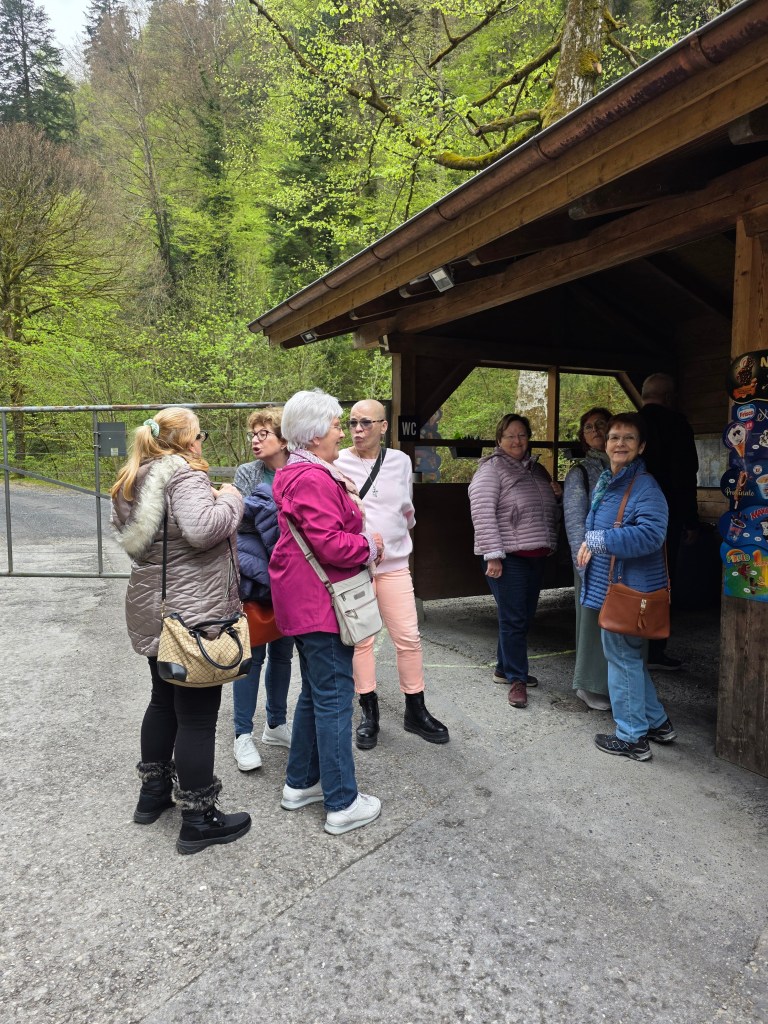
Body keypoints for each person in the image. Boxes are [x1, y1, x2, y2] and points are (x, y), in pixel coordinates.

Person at [111, 407, 251, 854]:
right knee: (197, 715)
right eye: (200, 435)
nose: (202, 442)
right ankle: (198, 819)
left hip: (154, 608)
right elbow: (202, 529)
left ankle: (152, 795)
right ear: (188, 440)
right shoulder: (184, 477)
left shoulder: (132, 478)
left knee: (162, 700)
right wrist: (231, 497)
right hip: (193, 613)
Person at [268, 389, 384, 835]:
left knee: (315, 695)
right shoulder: (313, 479)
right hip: (322, 603)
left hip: (304, 600)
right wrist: (370, 544)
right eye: (337, 425)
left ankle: (301, 783)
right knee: (335, 699)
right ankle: (342, 803)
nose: (343, 432)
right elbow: (332, 545)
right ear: (315, 435)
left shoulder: (298, 473)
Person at [336, 399, 449, 750]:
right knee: (362, 641)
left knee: (409, 638)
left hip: (395, 566)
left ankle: (416, 709)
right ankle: (368, 712)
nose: (357, 429)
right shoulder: (336, 463)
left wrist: (394, 536)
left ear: (384, 426)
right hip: (356, 568)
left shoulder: (399, 461)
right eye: (352, 423)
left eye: (366, 423)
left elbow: (407, 510)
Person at [577, 412, 677, 761]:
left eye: (629, 438)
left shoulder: (645, 486)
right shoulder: (611, 481)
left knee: (622, 660)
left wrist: (598, 540)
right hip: (613, 586)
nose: (620, 444)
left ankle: (632, 737)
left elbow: (651, 535)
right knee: (627, 657)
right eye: (614, 437)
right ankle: (658, 723)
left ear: (641, 446)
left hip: (628, 589)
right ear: (606, 444)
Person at [468, 413, 561, 710]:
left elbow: (544, 509)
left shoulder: (537, 469)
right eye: (510, 435)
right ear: (499, 440)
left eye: (522, 435)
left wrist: (557, 496)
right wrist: (493, 555)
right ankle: (517, 679)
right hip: (507, 558)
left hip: (535, 555)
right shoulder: (491, 470)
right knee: (514, 619)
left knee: (522, 615)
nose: (517, 441)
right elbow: (482, 514)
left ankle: (502, 668)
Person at [231, 407, 295, 771]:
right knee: (251, 656)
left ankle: (276, 724)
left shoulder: (300, 468)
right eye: (252, 435)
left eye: (263, 434)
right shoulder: (247, 473)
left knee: (283, 655)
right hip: (256, 576)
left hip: (291, 578)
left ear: (283, 439)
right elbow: (241, 523)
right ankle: (243, 734)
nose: (255, 440)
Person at [639, 372, 699, 671]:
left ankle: (630, 640)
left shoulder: (632, 424)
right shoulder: (678, 426)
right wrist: (691, 520)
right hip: (668, 516)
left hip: (632, 515)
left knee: (632, 578)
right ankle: (654, 649)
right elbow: (686, 475)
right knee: (662, 582)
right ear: (669, 397)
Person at [563, 407, 612, 711]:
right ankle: (588, 684)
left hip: (621, 558)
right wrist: (583, 565)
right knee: (592, 622)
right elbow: (574, 522)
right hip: (590, 559)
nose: (595, 431)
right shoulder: (580, 472)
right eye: (589, 427)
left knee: (617, 623)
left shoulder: (626, 467)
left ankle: (612, 683)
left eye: (601, 424)